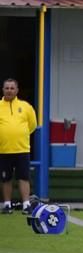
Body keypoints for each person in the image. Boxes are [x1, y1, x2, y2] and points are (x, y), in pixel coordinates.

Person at [0, 78, 37, 215]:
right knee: (6, 178)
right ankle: (7, 204)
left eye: (12, 88)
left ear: (17, 90)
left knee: (24, 177)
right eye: (7, 88)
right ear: (3, 90)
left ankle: (26, 205)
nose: (9, 90)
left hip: (22, 149)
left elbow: (32, 125)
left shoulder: (26, 107)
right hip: (3, 150)